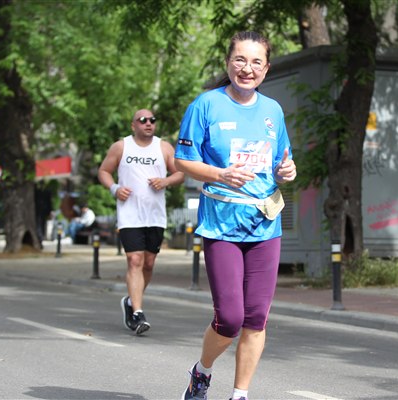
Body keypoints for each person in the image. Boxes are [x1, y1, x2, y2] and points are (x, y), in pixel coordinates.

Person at [174, 31, 297, 400]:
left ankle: (240, 394)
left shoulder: (273, 110)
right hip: (221, 226)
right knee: (229, 319)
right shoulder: (206, 105)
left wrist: (287, 171)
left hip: (265, 226)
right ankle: (202, 371)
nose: (247, 68)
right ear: (228, 63)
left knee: (256, 317)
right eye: (240, 60)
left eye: (256, 62)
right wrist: (220, 174)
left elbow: (282, 162)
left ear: (266, 68)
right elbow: (183, 161)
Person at [98, 109, 184, 335]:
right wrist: (115, 188)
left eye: (152, 120)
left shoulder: (164, 147)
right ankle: (138, 312)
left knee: (148, 264)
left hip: (155, 215)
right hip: (129, 214)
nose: (148, 123)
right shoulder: (121, 146)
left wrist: (165, 181)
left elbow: (180, 173)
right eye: (142, 120)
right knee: (134, 260)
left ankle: (130, 300)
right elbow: (104, 171)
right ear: (133, 125)